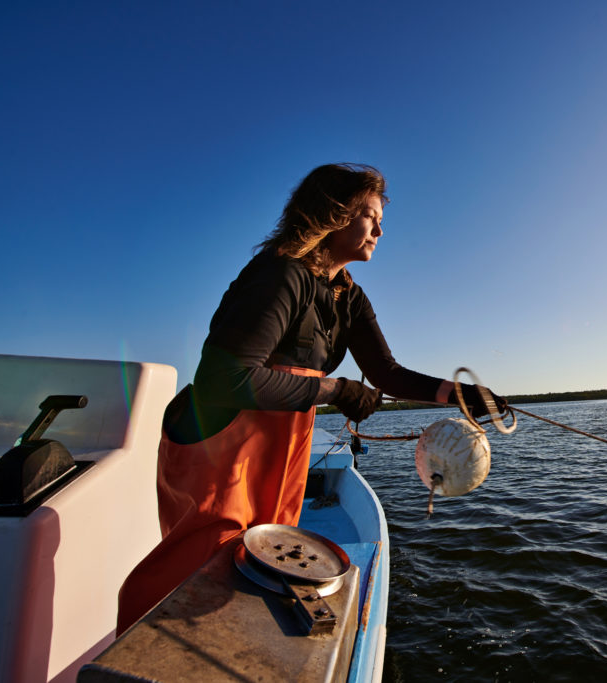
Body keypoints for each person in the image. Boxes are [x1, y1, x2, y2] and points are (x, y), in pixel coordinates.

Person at [117, 163, 505, 634]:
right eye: (368, 214)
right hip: (218, 442)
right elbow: (225, 379)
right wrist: (337, 389)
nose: (380, 229)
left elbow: (386, 372)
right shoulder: (279, 275)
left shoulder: (349, 297)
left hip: (281, 443)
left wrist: (460, 395)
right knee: (198, 567)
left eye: (381, 218)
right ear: (331, 212)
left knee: (258, 555)